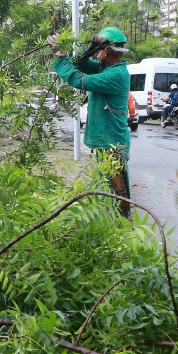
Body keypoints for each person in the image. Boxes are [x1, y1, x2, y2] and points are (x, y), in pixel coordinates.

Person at [53, 26, 132, 216]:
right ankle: (113, 223)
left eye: (99, 52)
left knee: (117, 190)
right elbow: (79, 64)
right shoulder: (107, 69)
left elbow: (78, 79)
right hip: (107, 139)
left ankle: (123, 226)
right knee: (107, 186)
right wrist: (90, 48)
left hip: (112, 142)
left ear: (106, 52)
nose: (97, 56)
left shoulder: (115, 75)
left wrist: (59, 57)